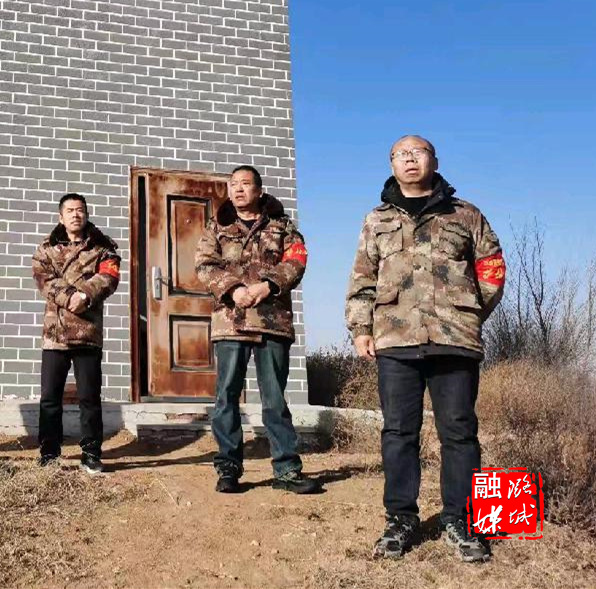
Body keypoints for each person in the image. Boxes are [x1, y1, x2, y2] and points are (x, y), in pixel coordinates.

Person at [345, 135, 505, 563]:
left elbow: (492, 268)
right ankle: (400, 519)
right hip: (395, 341)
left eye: (418, 152)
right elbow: (362, 279)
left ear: (434, 160)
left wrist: (468, 312)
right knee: (398, 432)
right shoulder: (376, 219)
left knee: (459, 433)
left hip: (455, 342)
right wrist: (361, 329)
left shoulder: (465, 214)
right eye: (401, 154)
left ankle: (462, 521)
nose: (410, 159)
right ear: (392, 165)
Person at [195, 165, 322, 495]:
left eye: (245, 184)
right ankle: (228, 468)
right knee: (226, 397)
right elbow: (204, 264)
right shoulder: (216, 227)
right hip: (231, 321)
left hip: (272, 321)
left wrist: (269, 285)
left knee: (274, 399)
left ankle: (287, 470)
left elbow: (296, 260)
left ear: (259, 191)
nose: (238, 189)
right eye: (233, 184)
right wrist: (233, 288)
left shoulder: (282, 227)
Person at [31, 193, 121, 474]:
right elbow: (43, 278)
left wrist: (86, 295)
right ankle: (49, 452)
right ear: (61, 217)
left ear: (87, 214)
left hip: (88, 332)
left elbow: (109, 276)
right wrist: (70, 297)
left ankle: (91, 453)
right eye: (69, 210)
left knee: (89, 398)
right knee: (50, 398)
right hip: (55, 333)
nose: (75, 214)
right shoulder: (47, 248)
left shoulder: (103, 246)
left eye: (80, 209)